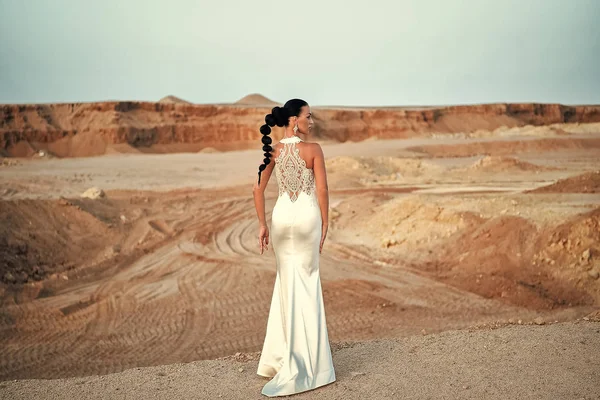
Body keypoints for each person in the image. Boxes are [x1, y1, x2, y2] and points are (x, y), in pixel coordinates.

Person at [252, 99, 336, 397]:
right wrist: (326, 222)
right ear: (294, 120)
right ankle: (312, 364)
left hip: (281, 219)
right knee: (308, 281)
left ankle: (281, 357)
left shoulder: (273, 150)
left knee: (286, 283)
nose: (311, 122)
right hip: (306, 218)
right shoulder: (313, 150)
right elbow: (322, 189)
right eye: (308, 116)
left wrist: (262, 225)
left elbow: (257, 189)